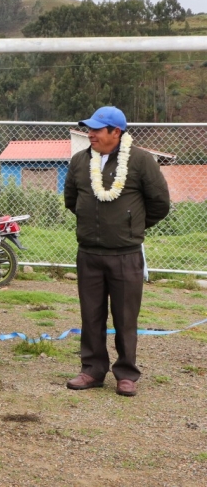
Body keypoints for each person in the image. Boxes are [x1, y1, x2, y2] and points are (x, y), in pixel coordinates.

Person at [64, 106, 170, 397]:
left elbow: (160, 203)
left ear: (116, 132)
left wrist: (130, 226)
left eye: (97, 129)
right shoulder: (79, 161)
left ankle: (126, 373)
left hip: (125, 254)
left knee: (125, 317)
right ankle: (92, 370)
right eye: (90, 129)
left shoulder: (140, 160)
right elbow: (72, 200)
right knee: (91, 315)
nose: (91, 134)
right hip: (88, 253)